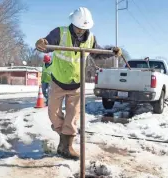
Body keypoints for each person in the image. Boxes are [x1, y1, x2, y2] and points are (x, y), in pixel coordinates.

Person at [35, 7, 122, 160]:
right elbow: (47, 43)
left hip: (77, 84)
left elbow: (97, 53)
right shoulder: (60, 32)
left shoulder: (91, 39)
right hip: (58, 81)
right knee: (53, 114)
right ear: (72, 23)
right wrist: (42, 43)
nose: (80, 31)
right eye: (78, 28)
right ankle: (63, 137)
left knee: (73, 116)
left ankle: (66, 147)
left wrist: (111, 51)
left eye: (83, 28)